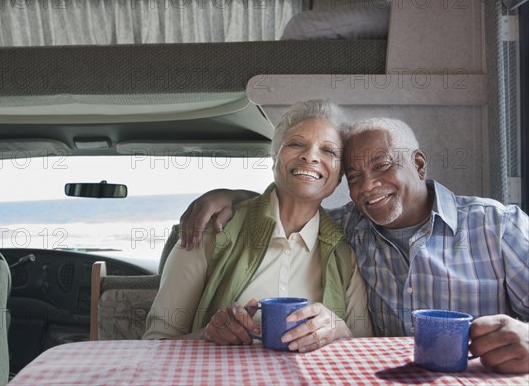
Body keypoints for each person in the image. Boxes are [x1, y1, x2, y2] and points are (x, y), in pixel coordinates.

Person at [180, 117, 529, 374]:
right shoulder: (349, 226)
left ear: (419, 165)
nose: (369, 186)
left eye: (382, 165)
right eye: (355, 178)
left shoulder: (498, 225)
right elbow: (294, 204)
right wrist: (229, 196)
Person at [142, 99, 373, 351]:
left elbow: (360, 349)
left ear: (340, 174)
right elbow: (155, 344)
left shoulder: (345, 252)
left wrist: (338, 328)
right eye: (296, 144)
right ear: (274, 157)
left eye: (328, 151)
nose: (310, 156)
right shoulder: (211, 228)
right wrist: (206, 336)